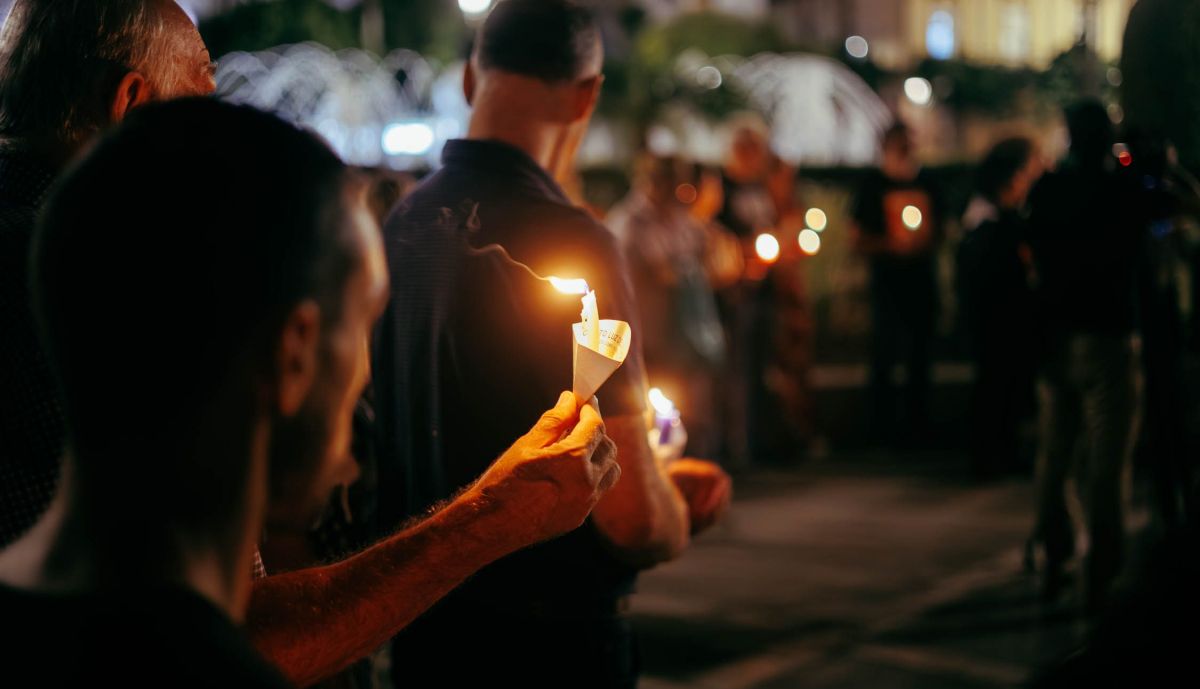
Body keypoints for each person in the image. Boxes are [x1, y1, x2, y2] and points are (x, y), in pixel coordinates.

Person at [0, 3, 621, 686]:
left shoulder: (91, 253)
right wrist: (494, 516)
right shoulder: (96, 277)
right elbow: (229, 631)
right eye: (362, 319)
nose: (364, 395)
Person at [374, 2, 730, 686]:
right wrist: (678, 511)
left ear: (470, 80)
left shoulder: (400, 224)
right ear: (587, 95)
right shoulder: (575, 242)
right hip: (552, 641)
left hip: (425, 633)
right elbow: (628, 517)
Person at [1025, 100, 1143, 610]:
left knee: (1054, 454)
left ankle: (1057, 553)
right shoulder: (1123, 191)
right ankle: (1104, 572)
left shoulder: (1048, 189)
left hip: (1056, 337)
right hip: (1109, 339)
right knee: (1106, 461)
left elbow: (1028, 252)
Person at [606, 154, 725, 458]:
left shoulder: (681, 219)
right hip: (648, 335)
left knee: (691, 409)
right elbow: (660, 269)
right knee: (651, 414)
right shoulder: (628, 222)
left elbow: (711, 258)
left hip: (684, 338)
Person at [849, 122, 943, 446]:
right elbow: (857, 236)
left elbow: (942, 229)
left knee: (920, 357)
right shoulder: (872, 185)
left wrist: (922, 241)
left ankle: (919, 427)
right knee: (884, 355)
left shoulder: (928, 181)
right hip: (887, 284)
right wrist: (889, 245)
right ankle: (881, 430)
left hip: (920, 283)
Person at [956, 137, 1044, 479]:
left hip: (996, 317)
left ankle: (997, 453)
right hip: (995, 317)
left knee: (1000, 385)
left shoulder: (990, 215)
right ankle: (991, 455)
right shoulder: (987, 221)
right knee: (996, 385)